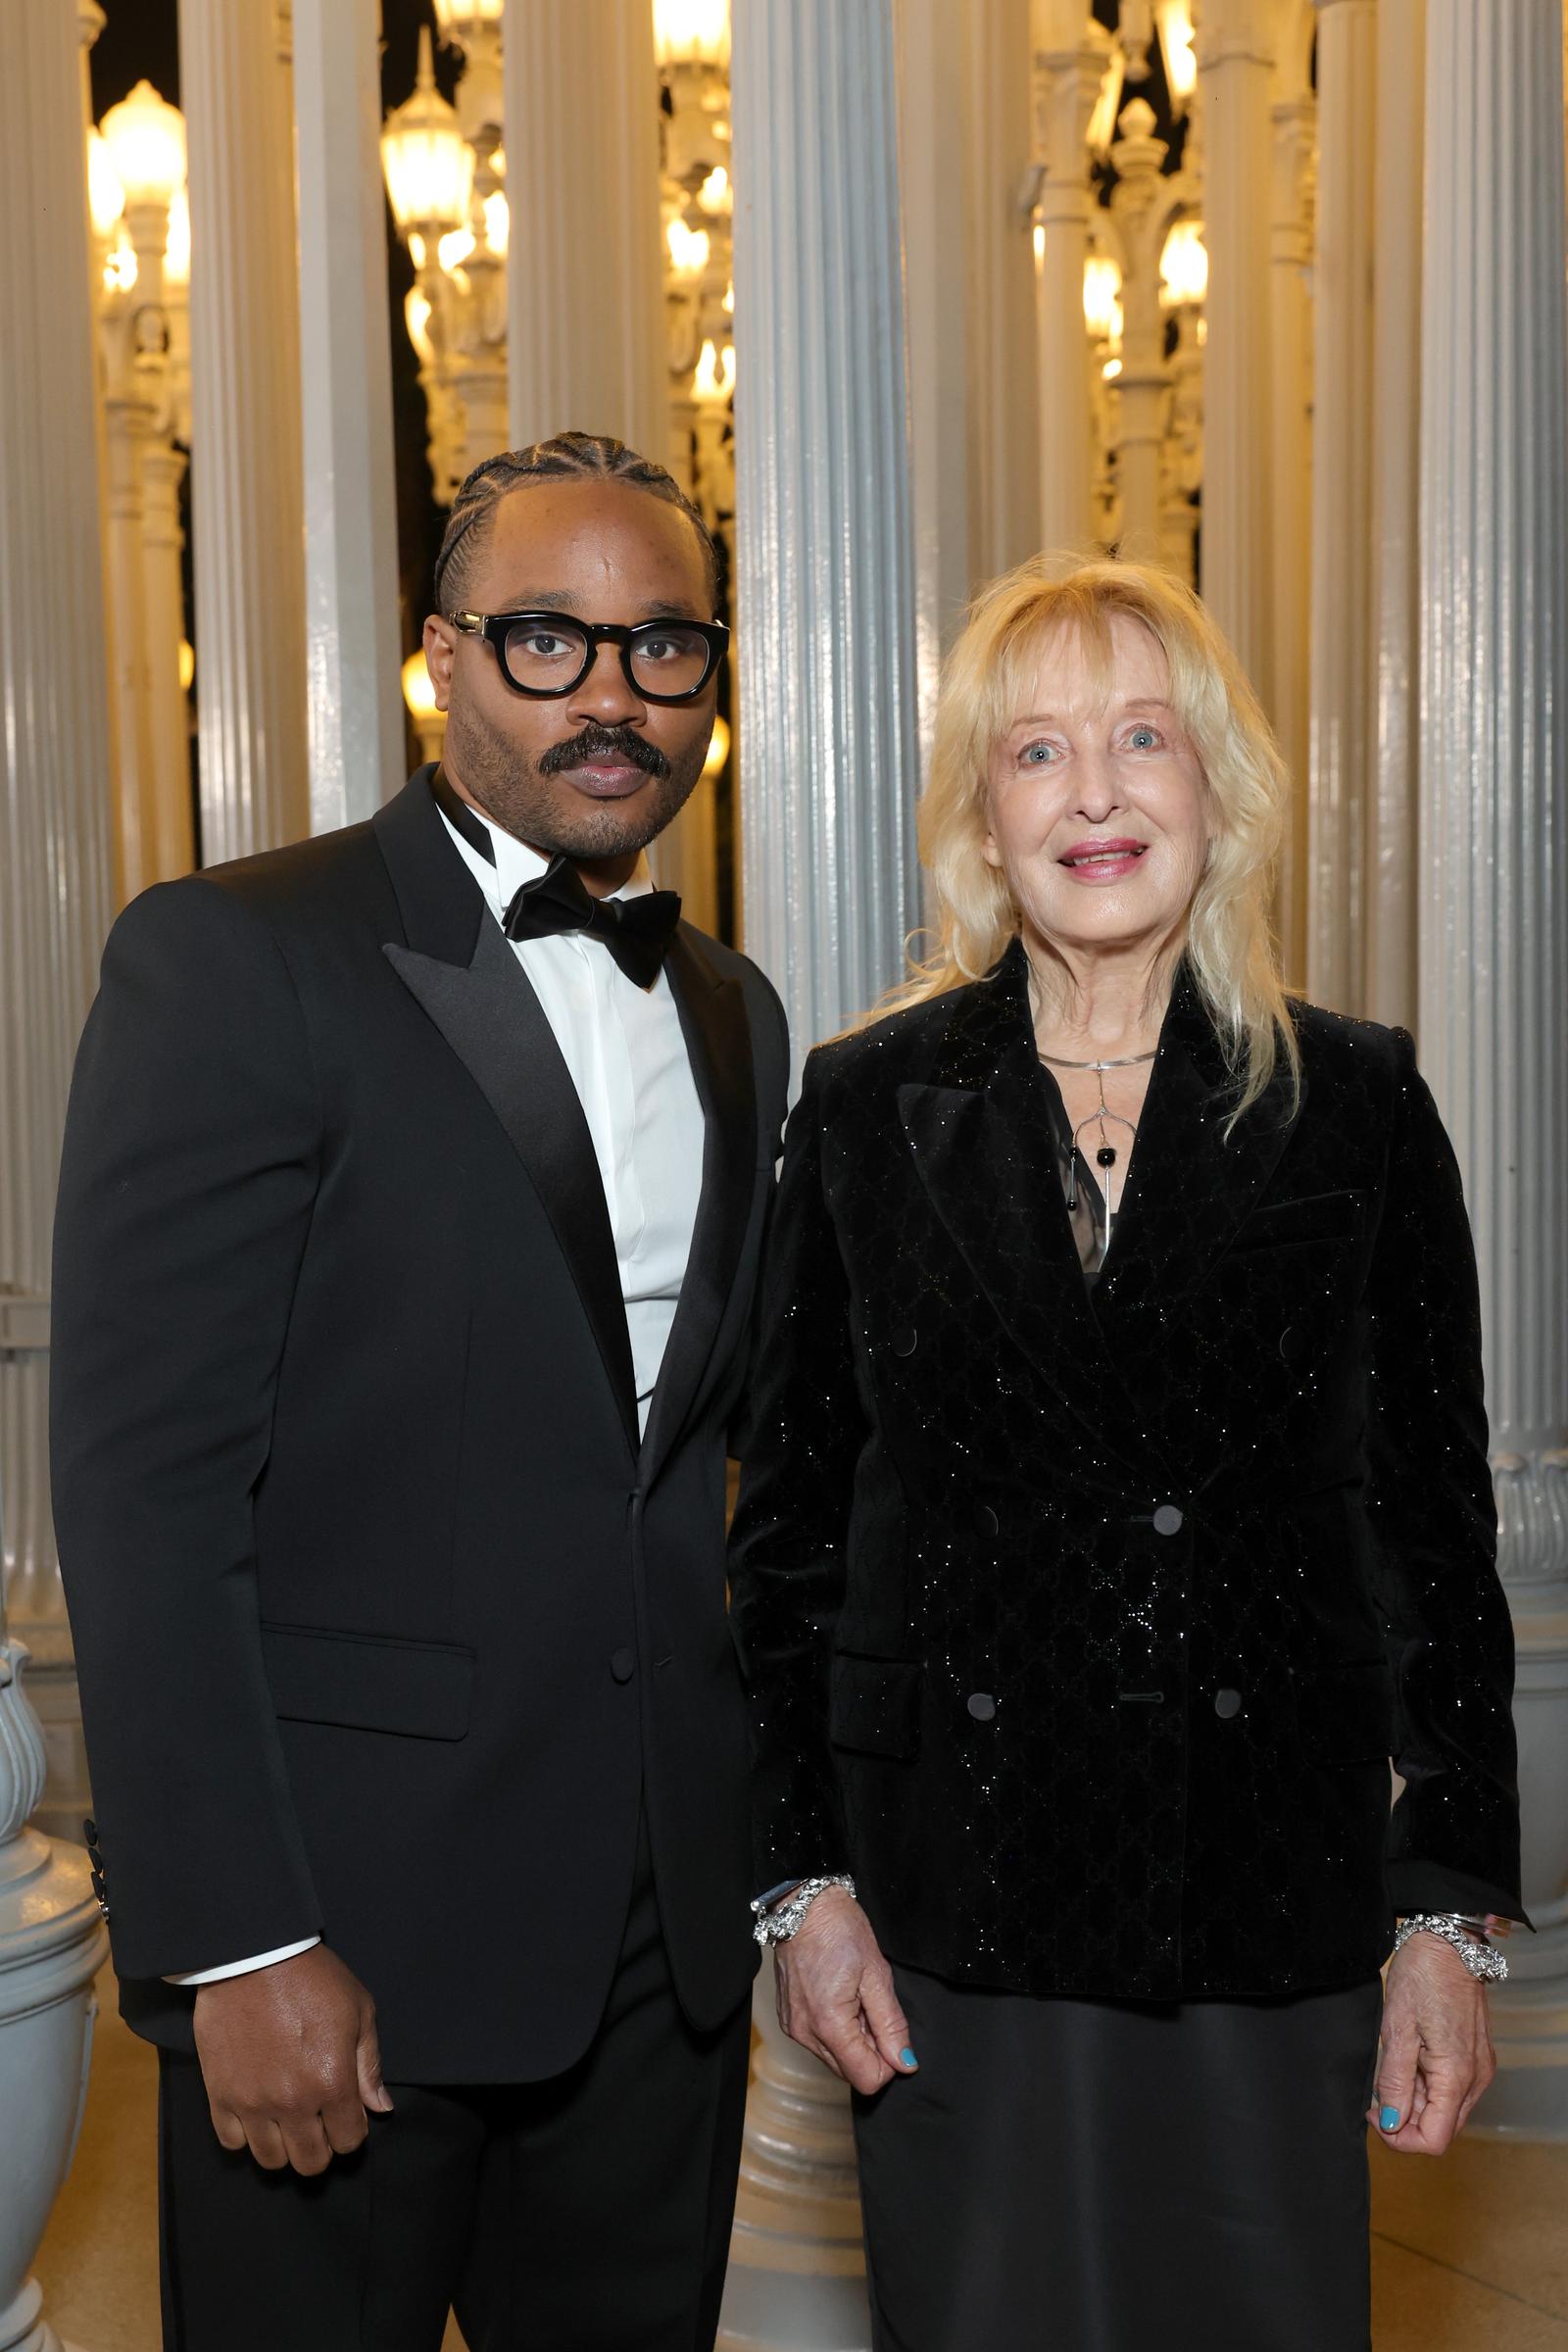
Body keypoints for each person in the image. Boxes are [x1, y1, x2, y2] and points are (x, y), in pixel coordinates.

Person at [726, 557, 1523, 2352]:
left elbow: (1435, 1536)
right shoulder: (866, 1107)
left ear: (1217, 791)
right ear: (982, 821)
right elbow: (785, 1546)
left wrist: (1445, 1916)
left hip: (1263, 1906)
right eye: (1037, 751)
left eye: (1142, 737)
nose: (1093, 792)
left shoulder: (1357, 1101)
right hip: (952, 1910)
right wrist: (804, 1888)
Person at [51, 431, 788, 2352]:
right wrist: (239, 1939)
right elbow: (146, 1495)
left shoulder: (733, 1013)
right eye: (547, 639)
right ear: (439, 658)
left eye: (663, 646)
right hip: (343, 1944)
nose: (613, 695)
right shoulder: (236, 958)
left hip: (657, 1965)